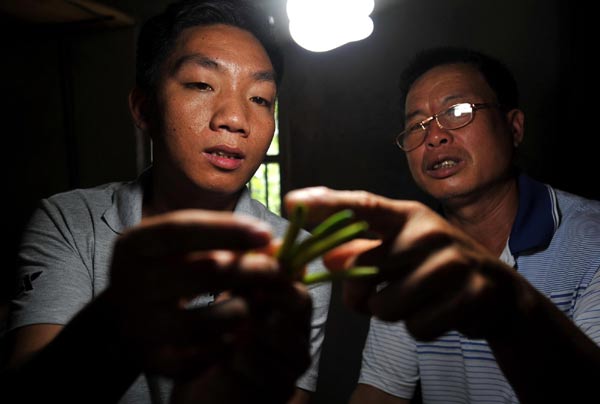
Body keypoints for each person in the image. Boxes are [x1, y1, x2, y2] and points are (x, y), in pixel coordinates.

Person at [1, 1, 330, 403]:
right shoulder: (70, 222)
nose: (235, 118)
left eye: (260, 98)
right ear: (144, 108)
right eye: (202, 84)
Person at [284, 47, 600, 403]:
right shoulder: (410, 255)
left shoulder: (592, 241)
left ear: (514, 127)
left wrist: (507, 306)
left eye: (457, 111)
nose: (434, 136)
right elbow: (380, 391)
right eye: (416, 125)